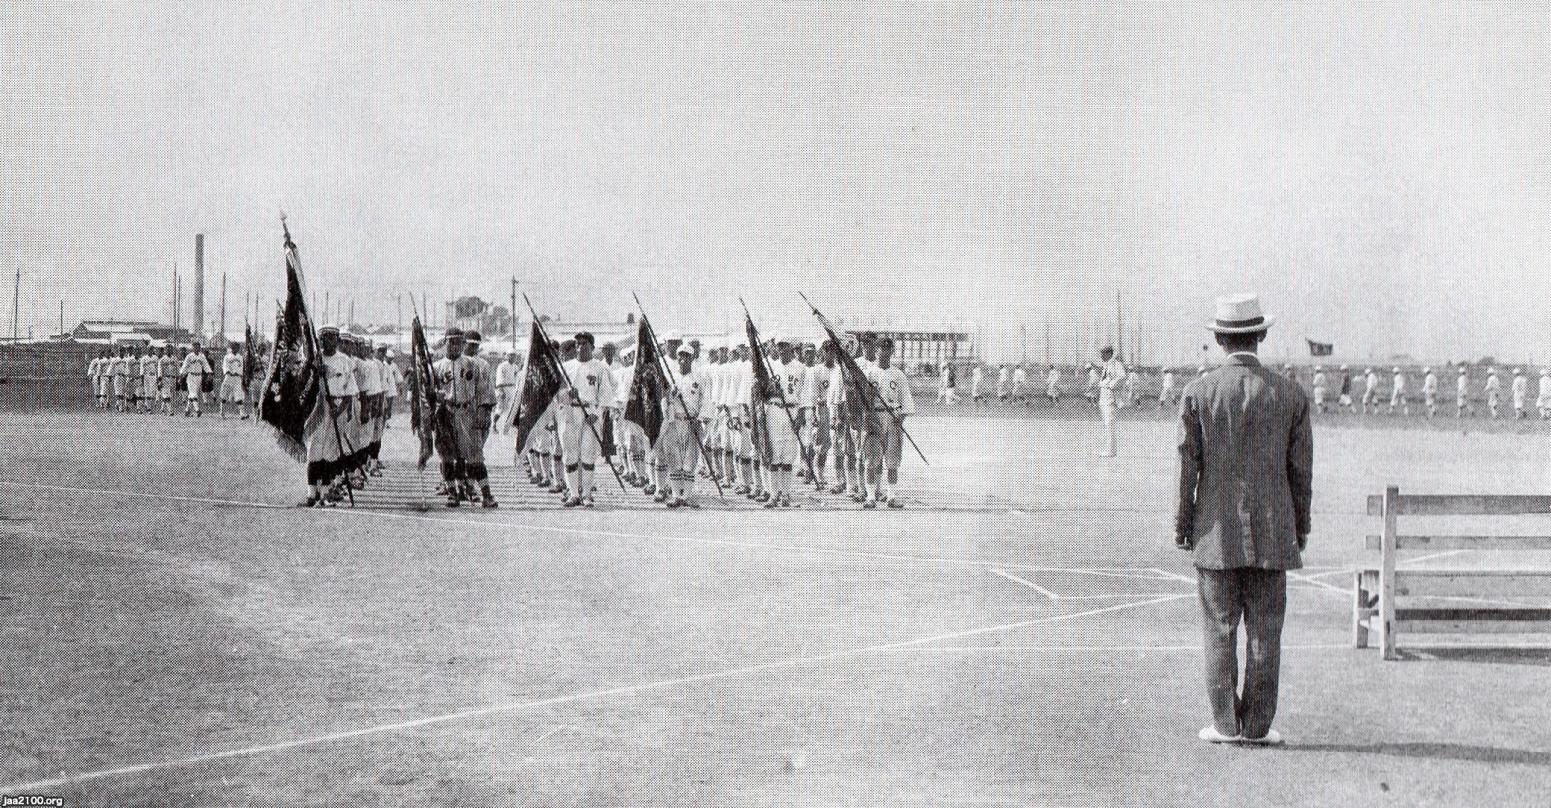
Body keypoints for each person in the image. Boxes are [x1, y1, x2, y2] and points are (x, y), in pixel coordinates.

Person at [1175, 293, 1310, 747]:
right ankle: (1257, 726)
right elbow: (1300, 473)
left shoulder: (1199, 392)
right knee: (1266, 632)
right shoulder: (1290, 394)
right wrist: (1301, 526)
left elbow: (1186, 468)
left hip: (1215, 533)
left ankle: (1225, 725)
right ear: (1263, 335)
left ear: (1218, 339)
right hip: (1274, 535)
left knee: (1218, 629)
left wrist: (1183, 523)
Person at [302, 325, 360, 507]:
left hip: (337, 407)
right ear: (320, 340)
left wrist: (340, 409)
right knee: (314, 449)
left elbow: (350, 391)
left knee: (330, 451)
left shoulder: (344, 361)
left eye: (333, 338)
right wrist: (314, 371)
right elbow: (304, 383)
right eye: (326, 338)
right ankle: (312, 493)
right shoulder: (314, 360)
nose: (330, 341)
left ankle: (325, 492)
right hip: (317, 407)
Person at [557, 332, 615, 507]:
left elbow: (605, 395)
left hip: (590, 414)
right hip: (569, 413)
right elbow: (557, 395)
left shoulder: (599, 368)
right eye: (577, 344)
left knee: (588, 454)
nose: (580, 347)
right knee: (570, 454)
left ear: (592, 347)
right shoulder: (566, 367)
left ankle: (587, 494)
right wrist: (567, 394)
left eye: (584, 343)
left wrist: (596, 413)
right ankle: (574, 494)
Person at [865, 337, 914, 509]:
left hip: (893, 418)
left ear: (892, 351)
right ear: (876, 351)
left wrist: (901, 417)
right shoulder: (868, 373)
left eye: (888, 350)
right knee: (871, 460)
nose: (884, 353)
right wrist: (867, 418)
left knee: (892, 460)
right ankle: (870, 496)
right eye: (881, 349)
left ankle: (891, 496)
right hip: (874, 418)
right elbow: (862, 401)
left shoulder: (898, 375)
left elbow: (906, 400)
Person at [656, 344, 706, 508]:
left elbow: (705, 402)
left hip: (691, 421)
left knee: (689, 459)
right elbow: (663, 401)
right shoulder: (671, 378)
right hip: (674, 420)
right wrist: (670, 397)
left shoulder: (698, 378)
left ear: (692, 359)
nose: (683, 360)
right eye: (680, 357)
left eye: (686, 357)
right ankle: (677, 495)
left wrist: (699, 419)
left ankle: (687, 496)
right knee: (674, 458)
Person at [1096, 346, 1126, 458]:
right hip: (1103, 397)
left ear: (1109, 354)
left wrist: (1111, 385)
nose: (1101, 356)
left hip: (1110, 398)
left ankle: (1111, 451)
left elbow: (1122, 376)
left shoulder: (1116, 364)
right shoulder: (1106, 365)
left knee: (1110, 424)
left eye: (1103, 354)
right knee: (1106, 424)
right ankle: (1108, 449)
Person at [180, 342, 213, 417]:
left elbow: (206, 365)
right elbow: (185, 366)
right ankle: (197, 410)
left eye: (198, 347)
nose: (197, 348)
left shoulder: (202, 356)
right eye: (195, 347)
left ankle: (187, 410)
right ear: (193, 348)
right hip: (191, 376)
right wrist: (181, 375)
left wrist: (209, 373)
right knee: (193, 393)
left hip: (199, 376)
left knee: (192, 394)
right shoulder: (189, 356)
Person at [219, 342, 246, 419]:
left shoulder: (240, 357)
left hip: (237, 378)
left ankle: (242, 414)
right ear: (231, 348)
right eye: (234, 347)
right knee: (224, 395)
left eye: (237, 347)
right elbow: (225, 366)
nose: (236, 349)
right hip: (229, 377)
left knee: (239, 395)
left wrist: (241, 375)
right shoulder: (227, 357)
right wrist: (227, 372)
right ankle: (222, 412)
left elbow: (241, 368)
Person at [494, 350, 520, 430]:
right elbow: (499, 380)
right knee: (500, 409)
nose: (513, 357)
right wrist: (501, 391)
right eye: (511, 355)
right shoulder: (502, 366)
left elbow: (517, 377)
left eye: (514, 356)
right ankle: (494, 424)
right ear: (507, 356)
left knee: (511, 408)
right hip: (503, 388)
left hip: (512, 389)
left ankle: (510, 426)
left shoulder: (515, 366)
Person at [158, 345, 179, 415]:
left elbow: (177, 369)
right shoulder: (162, 359)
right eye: (167, 349)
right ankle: (170, 411)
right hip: (165, 378)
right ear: (165, 350)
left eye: (170, 349)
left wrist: (178, 379)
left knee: (171, 395)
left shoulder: (175, 359)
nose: (169, 350)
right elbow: (160, 371)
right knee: (167, 395)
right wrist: (160, 380)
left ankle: (162, 409)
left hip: (173, 378)